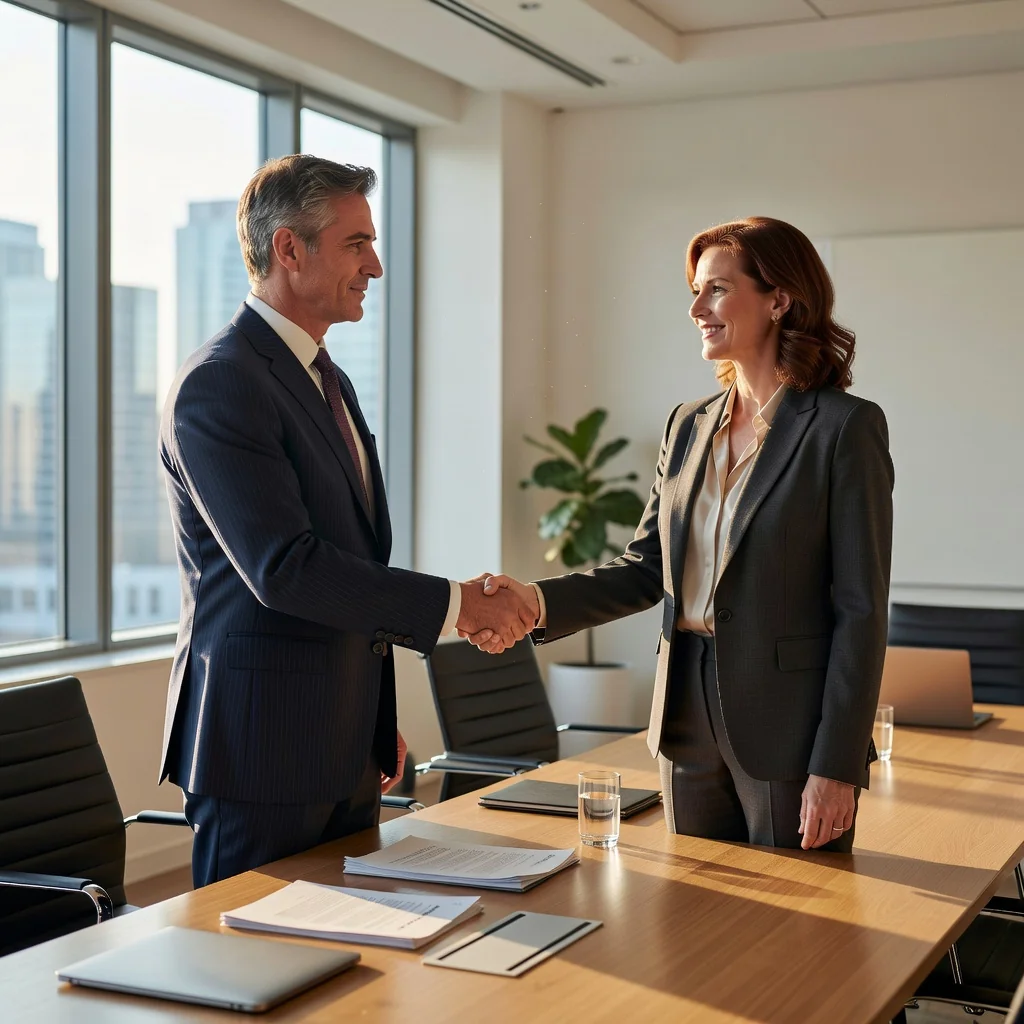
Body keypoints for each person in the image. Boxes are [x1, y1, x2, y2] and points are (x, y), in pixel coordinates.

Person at [159, 155, 535, 886]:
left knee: (351, 970)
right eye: (356, 244)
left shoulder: (327, 377)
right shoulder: (220, 384)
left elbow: (349, 557)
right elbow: (286, 568)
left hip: (340, 743)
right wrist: (460, 606)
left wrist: (367, 717)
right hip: (262, 749)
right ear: (288, 250)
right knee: (255, 970)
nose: (377, 266)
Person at [470, 217, 894, 852]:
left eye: (717, 289)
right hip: (684, 712)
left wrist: (836, 764)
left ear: (779, 299)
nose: (697, 308)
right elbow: (646, 567)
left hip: (789, 725)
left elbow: (860, 610)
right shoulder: (688, 425)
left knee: (802, 932)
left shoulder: (842, 428)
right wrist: (534, 602)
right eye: (695, 291)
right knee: (694, 915)